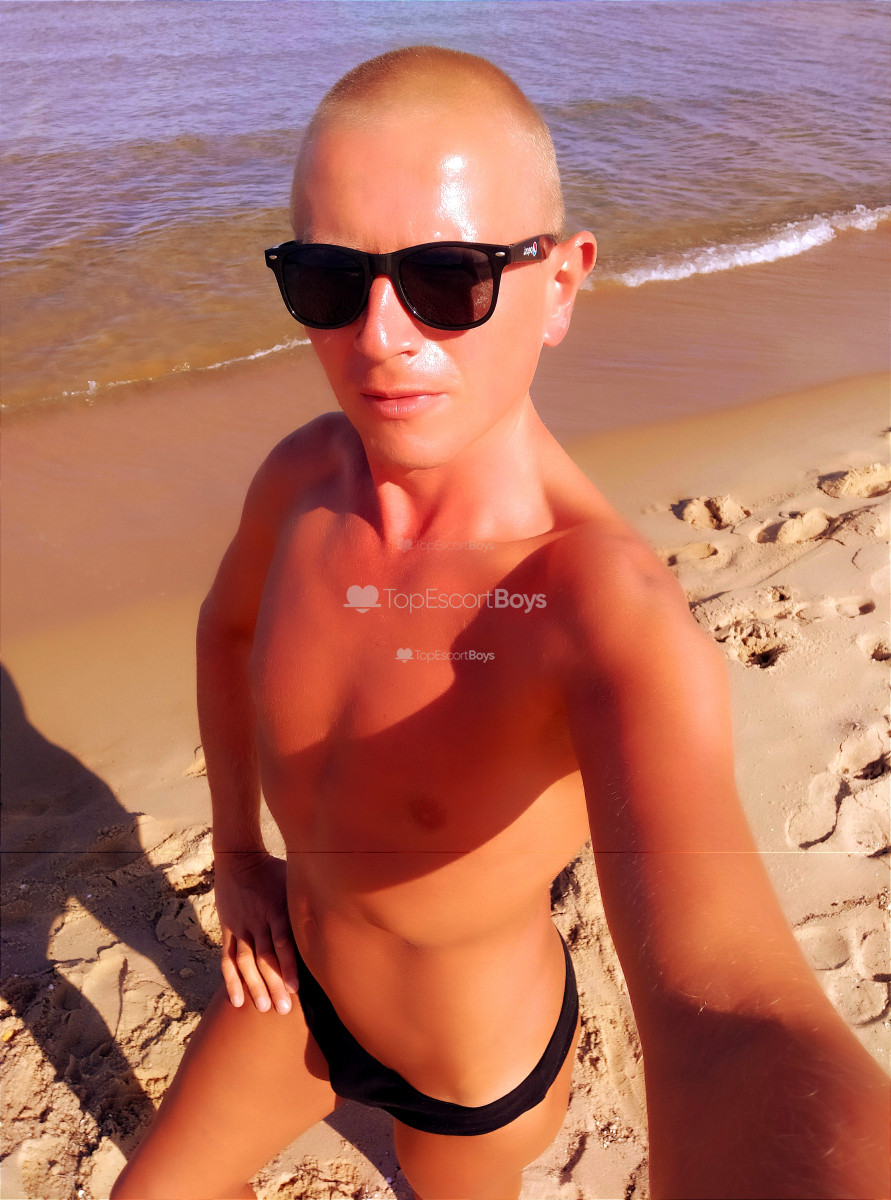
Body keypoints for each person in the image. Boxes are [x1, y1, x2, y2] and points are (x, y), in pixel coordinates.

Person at [112, 46, 889, 1200]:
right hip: (295, 989)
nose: (381, 335)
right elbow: (224, 636)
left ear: (562, 283)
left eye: (448, 276)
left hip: (472, 1079)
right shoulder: (301, 478)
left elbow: (731, 1012)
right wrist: (235, 854)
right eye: (329, 280)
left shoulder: (598, 610)